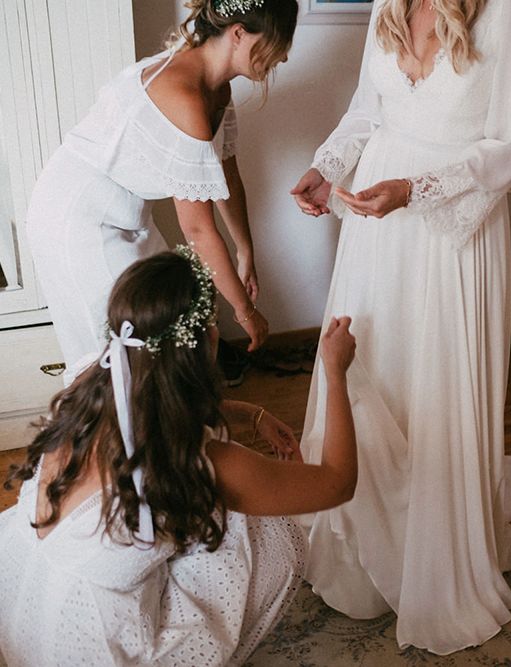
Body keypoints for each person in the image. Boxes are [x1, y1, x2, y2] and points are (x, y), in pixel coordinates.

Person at [291, 0, 511, 654]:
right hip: (375, 226)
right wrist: (327, 167)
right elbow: (367, 106)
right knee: (371, 367)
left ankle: (431, 557)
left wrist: (417, 190)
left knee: (431, 384)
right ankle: (359, 552)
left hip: (449, 227)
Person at [0, 247, 358, 666]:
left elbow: (150, 409)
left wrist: (250, 414)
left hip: (26, 602)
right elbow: (337, 481)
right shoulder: (203, 465)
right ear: (206, 339)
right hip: (98, 648)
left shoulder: (88, 384)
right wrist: (334, 371)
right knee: (269, 532)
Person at [26, 0, 298, 385]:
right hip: (76, 218)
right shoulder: (185, 97)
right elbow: (199, 233)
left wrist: (245, 249)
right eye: (277, 43)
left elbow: (226, 175)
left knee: (165, 330)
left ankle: (160, 438)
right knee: (115, 357)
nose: (283, 57)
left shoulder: (217, 89)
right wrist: (245, 313)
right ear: (238, 33)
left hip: (127, 213)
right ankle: (99, 442)